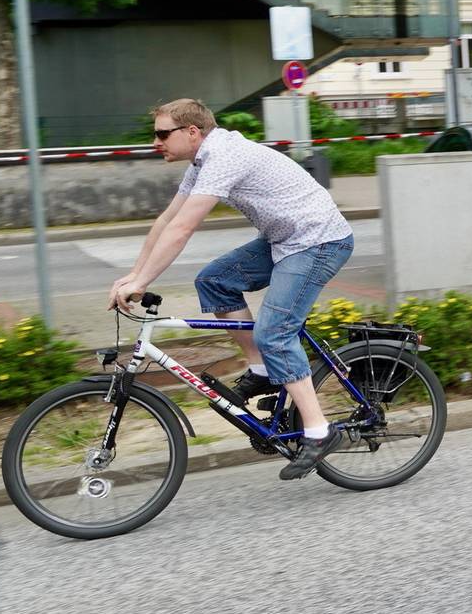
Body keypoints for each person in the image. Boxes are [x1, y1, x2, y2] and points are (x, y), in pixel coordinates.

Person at [110, 98, 356, 481]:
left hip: (318, 241)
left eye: (162, 134)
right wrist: (134, 276)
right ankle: (261, 369)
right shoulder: (202, 160)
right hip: (284, 240)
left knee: (275, 331)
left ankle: (319, 431)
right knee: (215, 281)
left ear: (192, 132)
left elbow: (184, 228)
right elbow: (167, 219)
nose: (155, 142)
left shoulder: (224, 154)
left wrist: (143, 282)